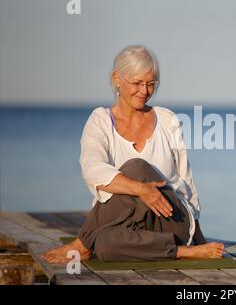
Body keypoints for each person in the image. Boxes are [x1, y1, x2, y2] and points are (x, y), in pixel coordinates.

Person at [42, 45, 224, 263]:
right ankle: (180, 253)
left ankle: (82, 242)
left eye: (150, 84)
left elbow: (186, 180)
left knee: (136, 167)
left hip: (170, 217)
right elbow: (93, 170)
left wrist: (197, 235)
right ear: (117, 79)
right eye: (138, 83)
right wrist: (140, 190)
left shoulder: (167, 121)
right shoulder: (100, 121)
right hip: (125, 223)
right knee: (104, 246)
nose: (145, 91)